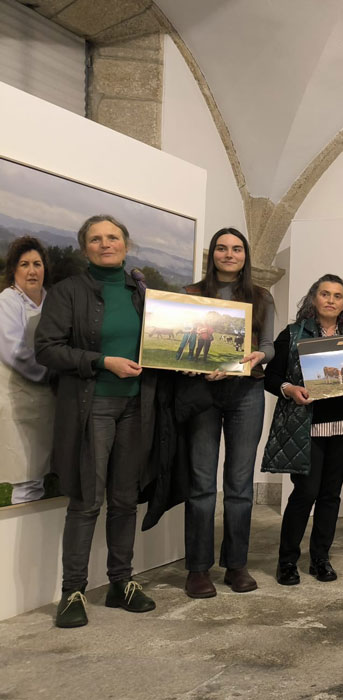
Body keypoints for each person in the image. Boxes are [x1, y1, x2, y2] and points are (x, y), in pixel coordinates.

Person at [35, 215, 157, 628]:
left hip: (137, 406)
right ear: (84, 247)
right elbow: (47, 349)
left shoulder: (142, 293)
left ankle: (121, 583)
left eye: (113, 237)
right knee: (87, 501)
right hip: (93, 406)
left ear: (126, 244)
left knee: (124, 500)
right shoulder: (68, 291)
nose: (105, 244)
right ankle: (73, 591)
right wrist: (102, 361)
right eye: (96, 239)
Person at [261, 274, 343, 585]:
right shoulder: (293, 333)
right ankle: (287, 561)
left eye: (338, 296)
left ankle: (320, 559)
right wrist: (289, 389)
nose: (331, 300)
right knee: (305, 493)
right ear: (314, 298)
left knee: (330, 495)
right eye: (325, 294)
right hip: (305, 429)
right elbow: (271, 377)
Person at [180, 228, 276, 598]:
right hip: (201, 393)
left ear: (245, 255)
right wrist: (185, 364)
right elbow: (178, 340)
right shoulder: (190, 294)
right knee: (202, 483)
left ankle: (236, 564)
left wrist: (258, 356)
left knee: (239, 485)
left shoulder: (261, 296)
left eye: (236, 249)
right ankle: (197, 569)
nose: (229, 254)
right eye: (222, 248)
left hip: (246, 392)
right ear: (213, 254)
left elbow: (268, 345)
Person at [0, 236, 54, 504]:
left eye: (37, 264)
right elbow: (15, 351)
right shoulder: (8, 302)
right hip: (21, 400)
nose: (32, 271)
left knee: (43, 476)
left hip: (49, 403)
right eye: (24, 264)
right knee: (26, 479)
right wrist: (52, 374)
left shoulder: (52, 300)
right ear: (14, 269)